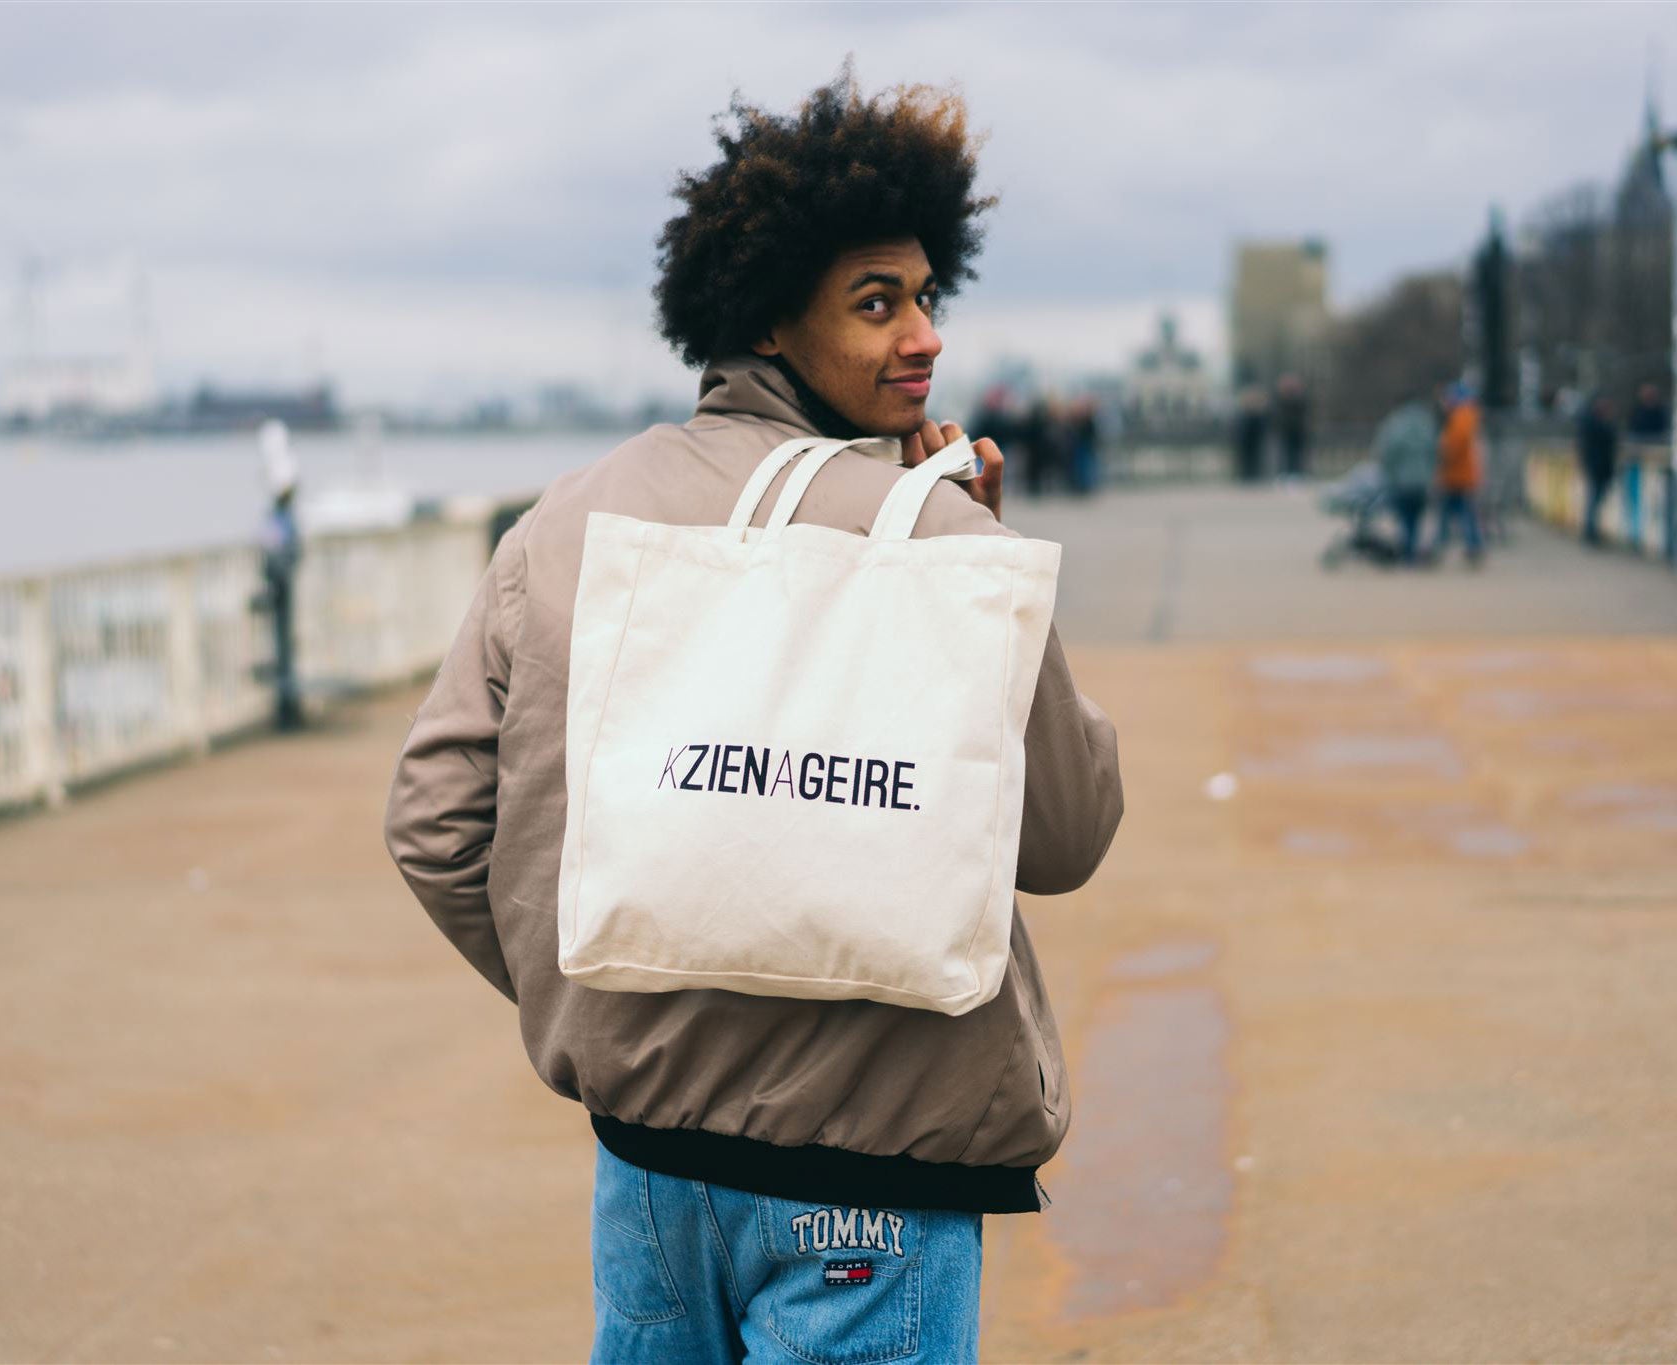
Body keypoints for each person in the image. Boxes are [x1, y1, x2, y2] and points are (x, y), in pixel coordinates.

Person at [382, 69, 1124, 1365]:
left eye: (927, 297)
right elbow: (1063, 833)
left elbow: (434, 824)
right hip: (874, 1184)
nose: (926, 335)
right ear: (772, 316)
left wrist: (612, 990)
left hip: (651, 1176)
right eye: (877, 302)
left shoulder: (559, 526)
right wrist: (979, 569)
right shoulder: (936, 529)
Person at [256, 419, 303, 731]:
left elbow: (275, 543)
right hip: (280, 576)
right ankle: (286, 707)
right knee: (283, 646)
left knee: (284, 646)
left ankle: (287, 708)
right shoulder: (282, 515)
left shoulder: (278, 515)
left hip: (279, 577)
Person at [1372, 391, 1438, 565]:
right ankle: (1412, 550)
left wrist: (1388, 474)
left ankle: (1407, 553)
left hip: (1401, 480)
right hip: (1422, 479)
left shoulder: (1395, 424)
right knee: (1416, 519)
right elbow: (1435, 451)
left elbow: (1387, 452)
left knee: (1404, 518)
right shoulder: (1426, 424)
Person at [1430, 383, 1486, 567]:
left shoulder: (1462, 416)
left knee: (1456, 514)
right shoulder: (1466, 415)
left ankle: (1446, 547)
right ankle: (1470, 546)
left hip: (1458, 475)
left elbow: (1455, 444)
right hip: (1460, 475)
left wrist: (1443, 455)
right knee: (1462, 514)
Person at [1576, 393, 1620, 546]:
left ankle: (1591, 531)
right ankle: (1590, 532)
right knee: (1594, 501)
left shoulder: (1593, 423)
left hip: (1600, 467)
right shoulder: (1595, 424)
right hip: (1597, 467)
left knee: (1595, 501)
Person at [1273, 373, 1309, 482]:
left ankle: (1297, 473)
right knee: (1285, 453)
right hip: (1286, 431)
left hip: (1296, 431)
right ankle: (1286, 473)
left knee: (1296, 453)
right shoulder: (1281, 399)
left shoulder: (1299, 398)